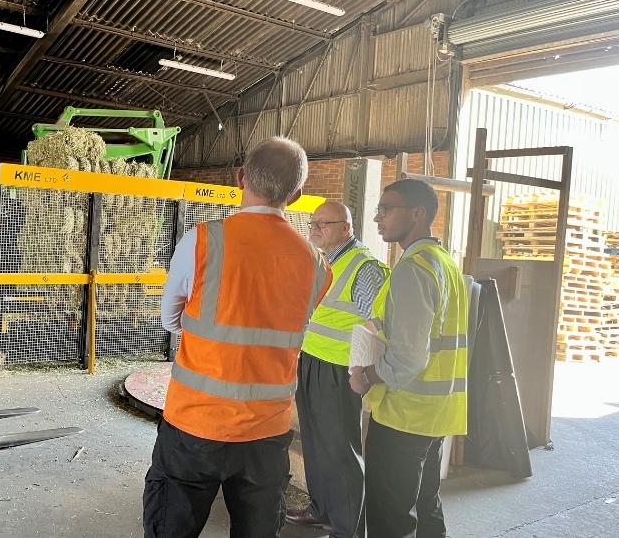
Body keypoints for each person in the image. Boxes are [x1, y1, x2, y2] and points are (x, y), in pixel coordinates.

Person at [143, 137, 333, 538]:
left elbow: (170, 319)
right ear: (297, 196)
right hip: (266, 434)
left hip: (195, 425)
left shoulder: (203, 240)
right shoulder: (316, 264)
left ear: (241, 177)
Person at [349, 179, 469, 538]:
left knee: (390, 518)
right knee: (427, 507)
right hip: (436, 413)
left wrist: (367, 376)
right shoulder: (443, 263)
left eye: (387, 209)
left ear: (417, 213)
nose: (377, 217)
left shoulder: (413, 269)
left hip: (406, 415)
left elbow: (409, 357)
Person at [287, 200, 389, 537]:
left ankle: (348, 526)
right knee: (316, 442)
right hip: (313, 360)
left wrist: (362, 371)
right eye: (313, 222)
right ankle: (321, 510)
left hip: (340, 369)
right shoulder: (325, 261)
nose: (314, 228)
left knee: (340, 448)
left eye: (324, 223)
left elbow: (379, 323)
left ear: (347, 228)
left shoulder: (364, 267)